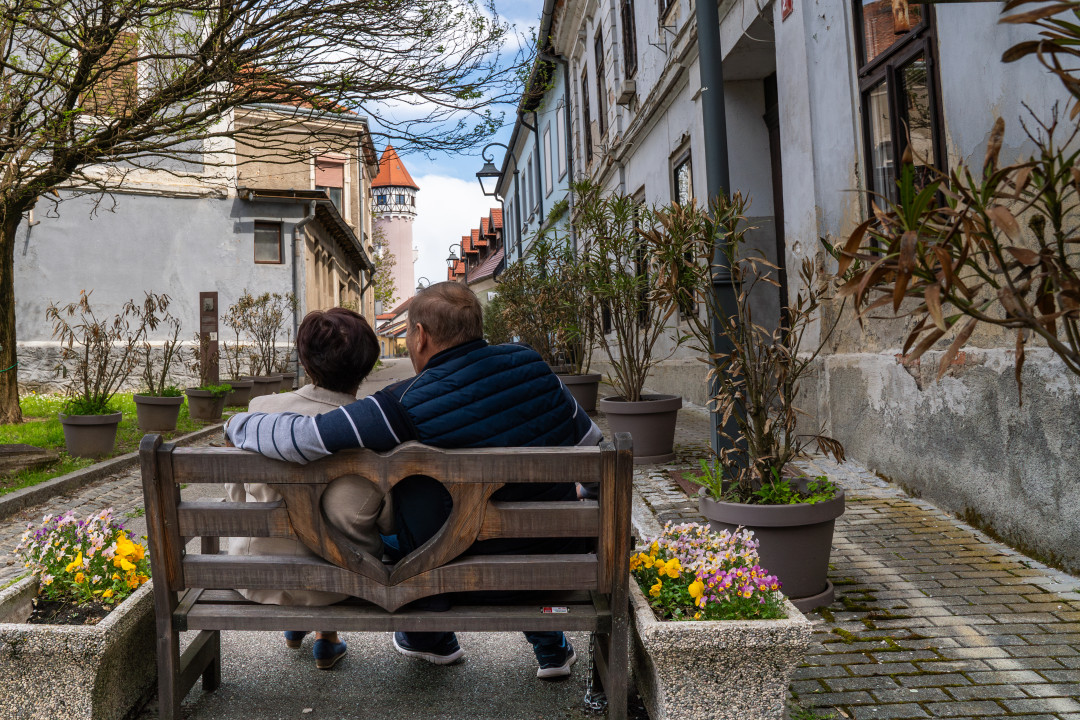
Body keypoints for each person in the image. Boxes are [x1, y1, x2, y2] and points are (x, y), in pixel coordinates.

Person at [225, 281, 602, 679]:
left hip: (454, 576)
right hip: (557, 563)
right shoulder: (534, 367)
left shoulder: (403, 403)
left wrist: (236, 423)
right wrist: (581, 504)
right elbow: (593, 449)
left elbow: (305, 439)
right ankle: (551, 645)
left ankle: (428, 639)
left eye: (406, 334)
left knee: (401, 515)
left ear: (421, 335)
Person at [225, 307, 391, 670]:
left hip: (256, 576)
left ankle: (300, 625)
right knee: (344, 535)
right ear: (367, 364)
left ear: (304, 358)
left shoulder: (260, 411)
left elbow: (235, 497)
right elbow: (389, 521)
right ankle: (326, 638)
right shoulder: (374, 426)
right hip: (341, 583)